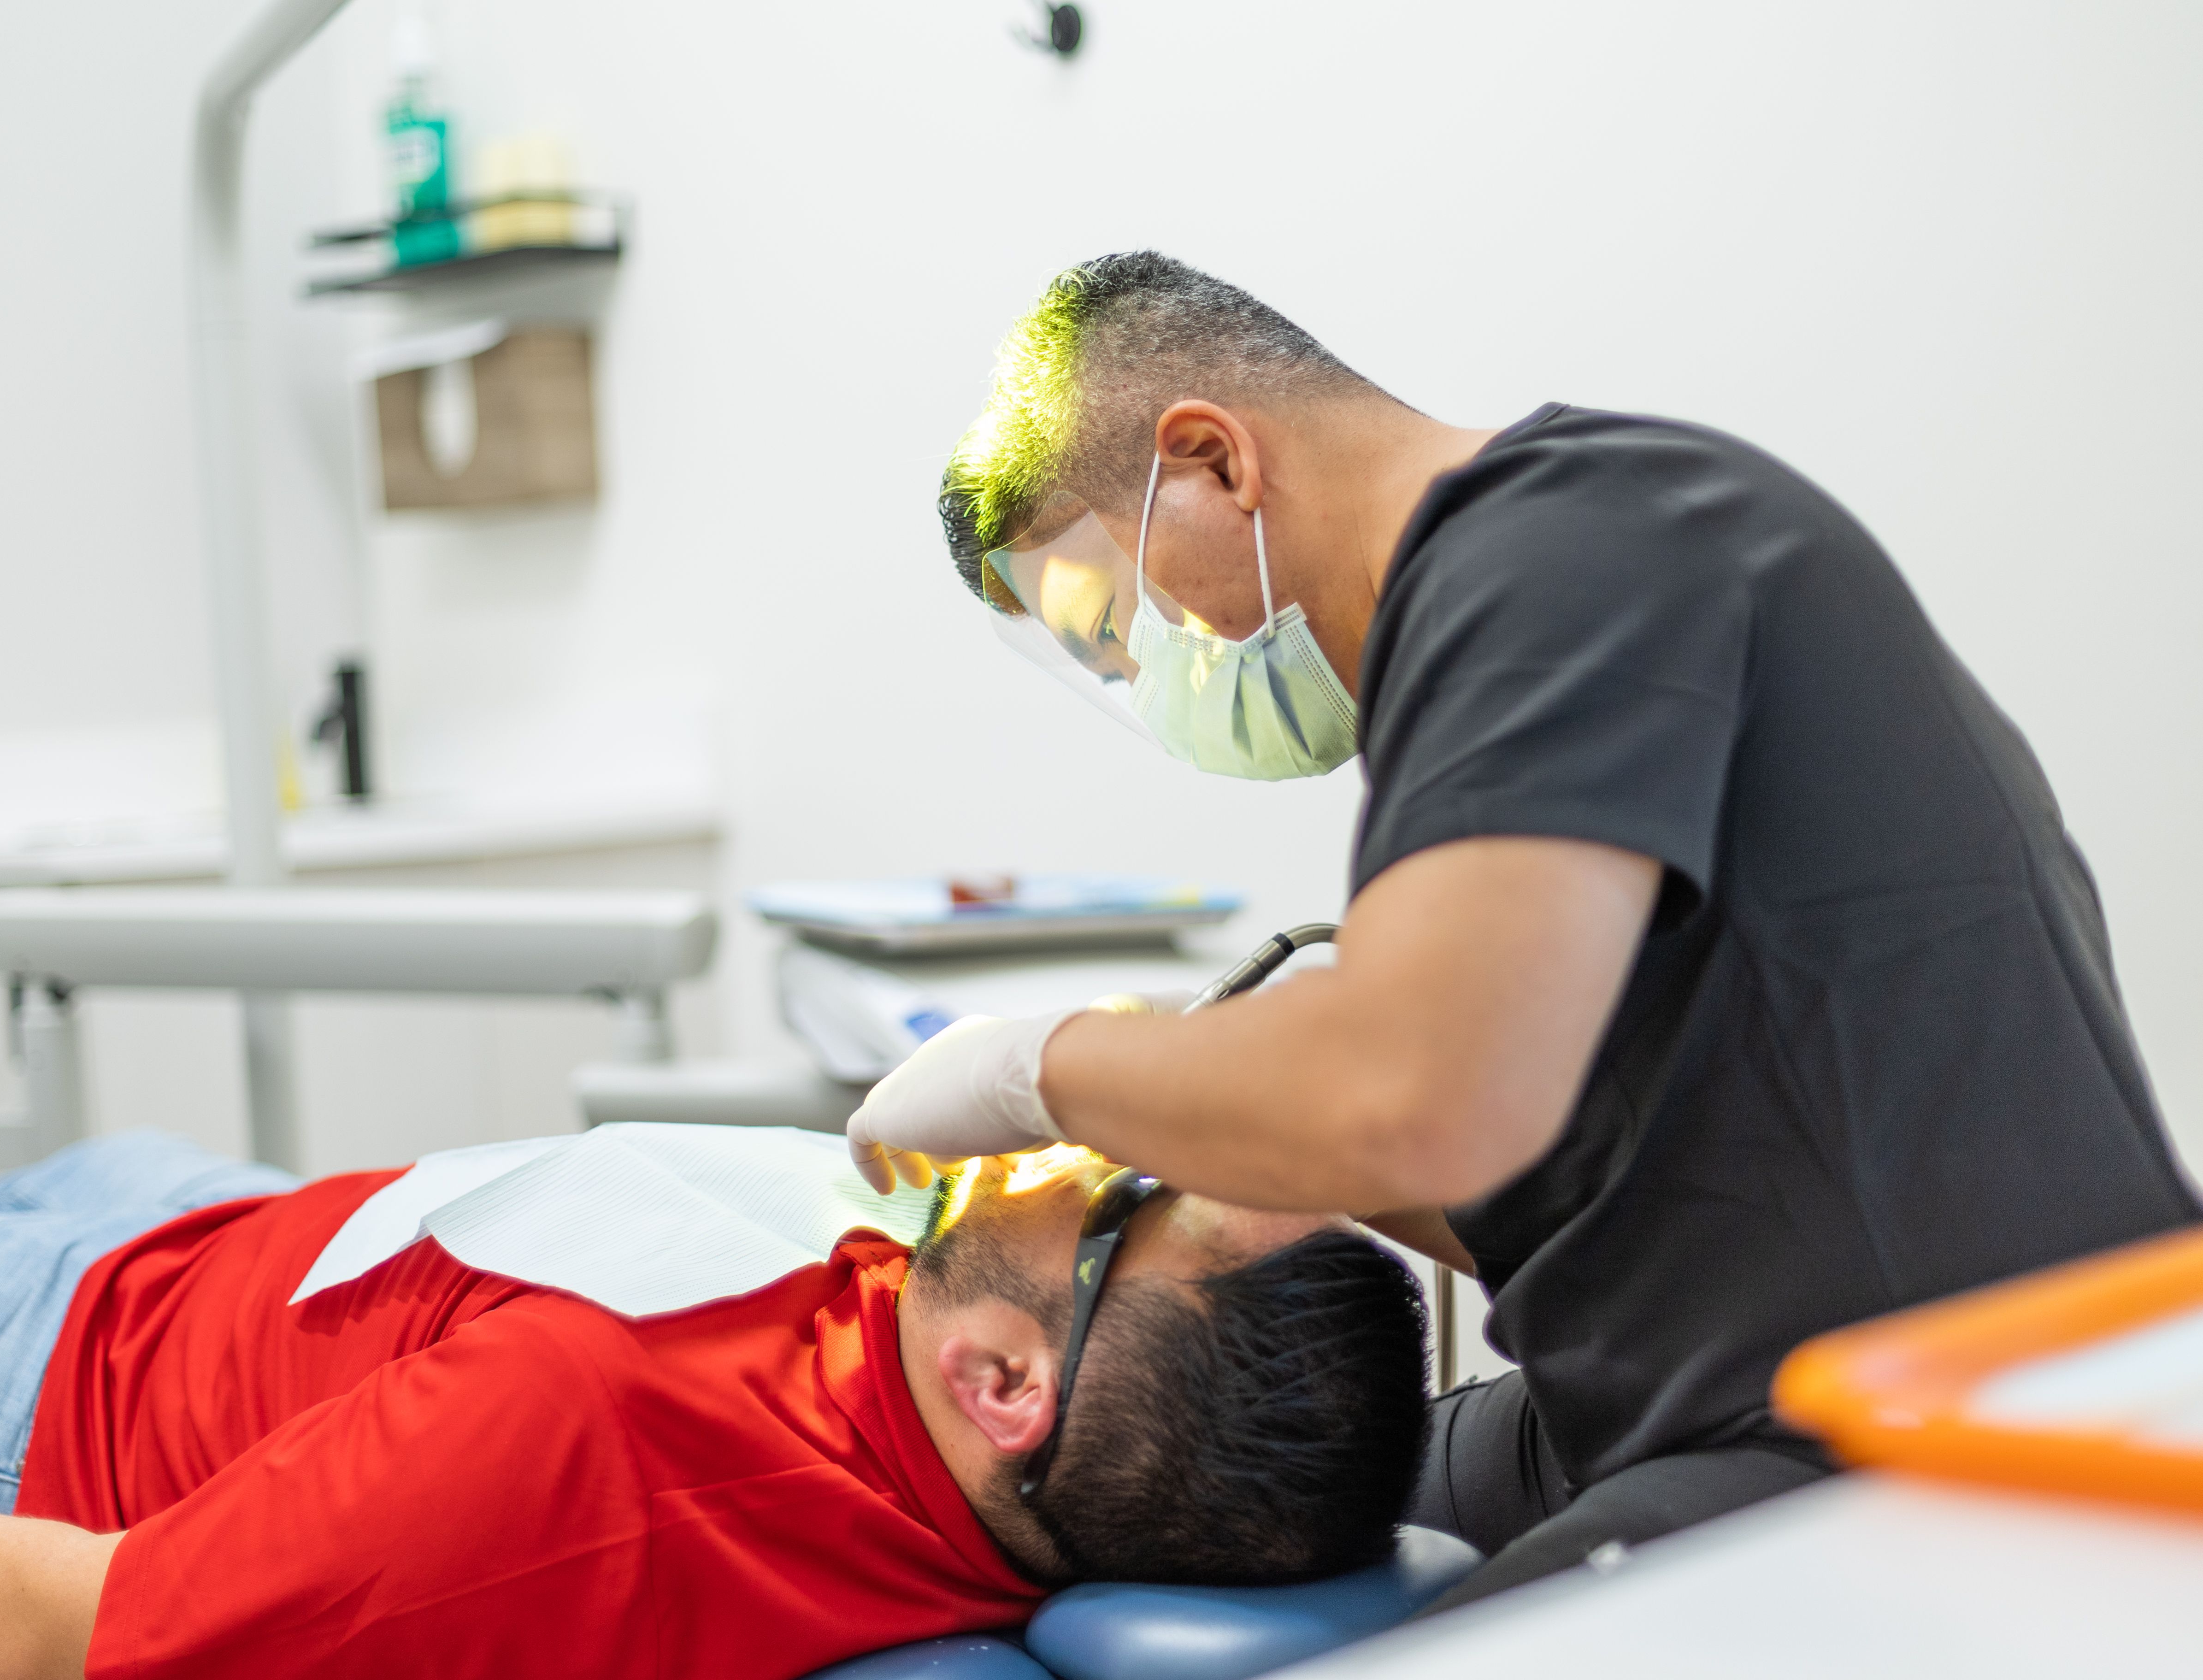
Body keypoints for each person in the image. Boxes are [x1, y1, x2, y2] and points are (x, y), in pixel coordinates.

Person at [847, 251, 2202, 1608]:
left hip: (1923, 1428)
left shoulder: (1566, 553)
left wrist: (1043, 1068)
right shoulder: (1520, 614)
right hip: (1703, 1382)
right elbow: (1577, 1163)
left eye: (1113, 621)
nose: (1154, 676)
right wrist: (1210, 1140)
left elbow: (1422, 1100)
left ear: (1211, 461)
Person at [0, 1117, 1428, 1680]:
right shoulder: (947, 1350)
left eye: (1126, 1195)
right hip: (209, 1232)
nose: (1091, 1156)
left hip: (23, 1385)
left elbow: (55, 1636)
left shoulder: (592, 1456)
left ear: (1003, 1388)